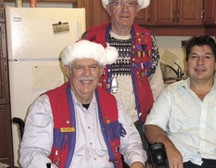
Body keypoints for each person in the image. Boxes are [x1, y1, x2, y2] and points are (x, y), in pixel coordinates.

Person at [20, 40, 147, 168]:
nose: (87, 73)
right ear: (68, 70)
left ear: (101, 70)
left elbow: (132, 143)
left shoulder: (111, 103)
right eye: (79, 67)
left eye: (93, 67)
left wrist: (136, 163)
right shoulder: (46, 105)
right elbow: (32, 154)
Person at [144, 35, 216, 168]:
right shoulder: (170, 93)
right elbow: (151, 126)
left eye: (207, 57)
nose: (200, 62)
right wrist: (168, 147)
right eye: (194, 57)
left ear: (215, 64)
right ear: (186, 63)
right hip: (180, 162)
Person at [82, 0, 165, 149]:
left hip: (138, 125)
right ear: (108, 8)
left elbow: (156, 86)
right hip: (98, 122)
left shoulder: (147, 40)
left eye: (131, 3)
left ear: (138, 8)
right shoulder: (90, 38)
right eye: (118, 3)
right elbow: (76, 82)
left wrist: (158, 122)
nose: (125, 9)